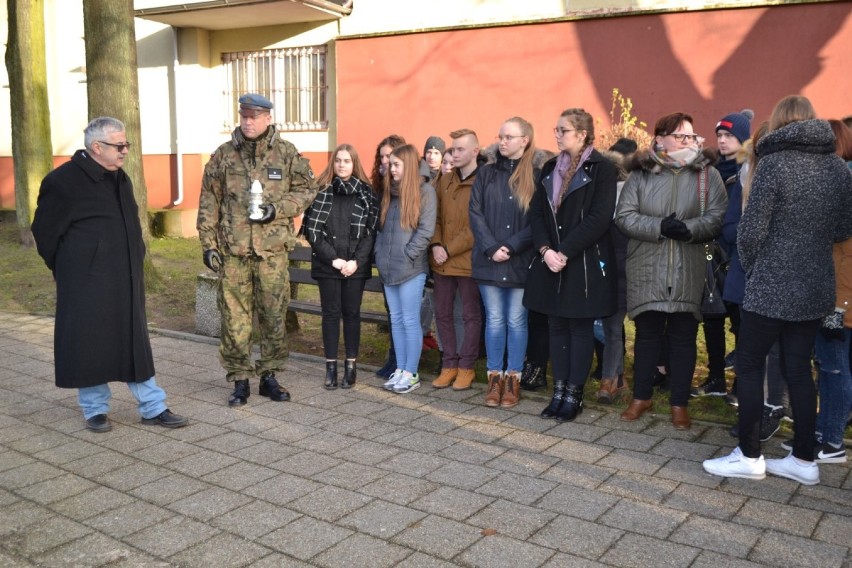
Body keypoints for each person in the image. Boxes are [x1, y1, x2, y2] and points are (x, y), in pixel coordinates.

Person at [703, 95, 852, 485]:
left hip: (770, 283)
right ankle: (805, 460)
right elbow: (841, 230)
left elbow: (750, 233)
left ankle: (750, 455)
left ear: (780, 122)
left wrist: (756, 268)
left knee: (750, 365)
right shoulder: (839, 168)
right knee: (800, 370)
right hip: (816, 283)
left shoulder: (773, 164)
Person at [31, 117, 188, 432]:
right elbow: (45, 232)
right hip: (85, 282)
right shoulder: (62, 181)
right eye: (120, 145)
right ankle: (94, 410)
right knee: (88, 343)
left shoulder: (120, 177)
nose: (125, 151)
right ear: (96, 147)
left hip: (125, 278)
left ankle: (153, 407)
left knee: (134, 343)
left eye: (126, 144)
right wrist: (71, 269)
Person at [197, 93, 318, 406]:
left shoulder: (286, 154)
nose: (248, 122)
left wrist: (277, 209)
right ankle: (239, 379)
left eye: (254, 116)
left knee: (274, 317)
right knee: (234, 320)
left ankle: (269, 376)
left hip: (272, 254)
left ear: (268, 118)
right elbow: (209, 200)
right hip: (233, 253)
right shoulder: (223, 155)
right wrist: (208, 243)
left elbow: (307, 190)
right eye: (244, 116)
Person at [616, 112, 727, 430]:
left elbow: (718, 216)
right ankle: (641, 396)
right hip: (647, 264)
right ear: (660, 138)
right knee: (647, 335)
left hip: (688, 267)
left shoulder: (708, 175)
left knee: (683, 337)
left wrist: (689, 229)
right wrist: (659, 226)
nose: (686, 141)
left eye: (690, 136)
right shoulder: (641, 174)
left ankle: (679, 403)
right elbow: (624, 216)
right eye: (680, 135)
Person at [525, 108, 618, 422]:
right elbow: (537, 214)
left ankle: (574, 395)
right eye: (557, 129)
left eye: (563, 130)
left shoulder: (602, 169)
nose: (557, 134)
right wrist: (545, 250)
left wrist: (563, 251)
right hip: (550, 260)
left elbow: (599, 218)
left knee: (579, 329)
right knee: (555, 327)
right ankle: (559, 391)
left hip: (583, 263)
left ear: (582, 134)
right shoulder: (550, 167)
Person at [469, 117, 537, 408]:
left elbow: (539, 220)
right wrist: (491, 247)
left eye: (509, 137)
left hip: (520, 261)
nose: (502, 141)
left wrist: (511, 245)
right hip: (490, 261)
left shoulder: (536, 174)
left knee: (517, 320)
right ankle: (494, 379)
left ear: (525, 140)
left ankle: (514, 379)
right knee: (495, 320)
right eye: (500, 136)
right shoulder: (486, 173)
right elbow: (475, 213)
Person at [303, 144, 378, 390]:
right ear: (333, 163)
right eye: (338, 161)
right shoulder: (322, 191)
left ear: (354, 163)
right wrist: (334, 259)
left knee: (352, 314)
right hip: (329, 265)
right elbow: (313, 231)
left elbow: (370, 232)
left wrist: (356, 261)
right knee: (331, 314)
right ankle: (331, 367)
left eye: (347, 161)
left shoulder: (367, 193)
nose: (342, 165)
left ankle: (351, 366)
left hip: (355, 266)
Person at [692, 110, 752, 398]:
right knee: (712, 318)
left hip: (737, 256)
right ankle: (716, 377)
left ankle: (741, 382)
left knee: (740, 323)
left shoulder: (751, 171)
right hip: (710, 253)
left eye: (729, 135)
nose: (723, 140)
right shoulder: (708, 171)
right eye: (720, 135)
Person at [376, 144, 437, 394]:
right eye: (390, 165)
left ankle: (411, 373)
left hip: (411, 268)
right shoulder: (390, 191)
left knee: (410, 320)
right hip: (389, 267)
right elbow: (382, 229)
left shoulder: (425, 192)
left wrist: (408, 254)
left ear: (409, 166)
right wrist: (379, 255)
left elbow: (425, 230)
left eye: (397, 165)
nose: (392, 169)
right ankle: (400, 369)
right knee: (397, 320)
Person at [808, 119, 852, 463]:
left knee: (835, 368)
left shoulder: (845, 186)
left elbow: (846, 255)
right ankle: (823, 433)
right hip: (832, 293)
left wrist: (840, 304)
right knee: (828, 365)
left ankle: (833, 440)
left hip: (839, 298)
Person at [429, 129, 483, 391]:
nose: (455, 153)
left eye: (461, 149)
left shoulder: (483, 181)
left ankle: (466, 367)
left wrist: (448, 249)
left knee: (471, 315)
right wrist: (437, 244)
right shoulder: (445, 180)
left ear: (475, 151)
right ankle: (448, 364)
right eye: (453, 148)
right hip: (441, 259)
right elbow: (434, 217)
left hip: (468, 261)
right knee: (443, 313)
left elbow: (478, 226)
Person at [595, 138, 637, 403]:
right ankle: (612, 379)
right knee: (611, 328)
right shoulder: (598, 200)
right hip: (608, 272)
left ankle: (614, 379)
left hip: (628, 272)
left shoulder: (626, 196)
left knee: (616, 328)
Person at [370, 134, 407, 379]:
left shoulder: (405, 187)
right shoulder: (379, 187)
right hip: (384, 259)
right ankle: (393, 359)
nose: (385, 161)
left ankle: (404, 361)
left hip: (404, 260)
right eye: (381, 156)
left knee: (406, 315)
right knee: (392, 312)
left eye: (389, 156)